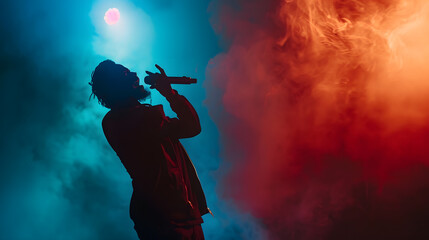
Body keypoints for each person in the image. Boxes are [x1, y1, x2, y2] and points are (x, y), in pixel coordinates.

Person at [89, 60, 210, 239]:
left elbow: (192, 127)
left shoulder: (141, 115)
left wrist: (169, 92)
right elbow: (190, 126)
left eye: (130, 72)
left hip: (184, 212)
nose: (135, 75)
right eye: (125, 74)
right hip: (164, 218)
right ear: (113, 86)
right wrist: (169, 92)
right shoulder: (118, 120)